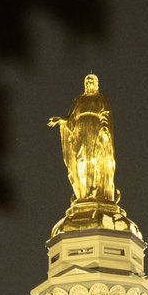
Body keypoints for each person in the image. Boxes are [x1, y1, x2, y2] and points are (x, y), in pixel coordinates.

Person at [48, 74, 117, 203]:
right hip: (80, 132)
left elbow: (105, 114)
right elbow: (72, 119)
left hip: (94, 129)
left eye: (91, 81)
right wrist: (62, 121)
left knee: (94, 159)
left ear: (97, 84)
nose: (88, 83)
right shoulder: (79, 100)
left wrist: (105, 128)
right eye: (86, 82)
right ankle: (83, 191)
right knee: (81, 160)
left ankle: (95, 190)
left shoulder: (100, 99)